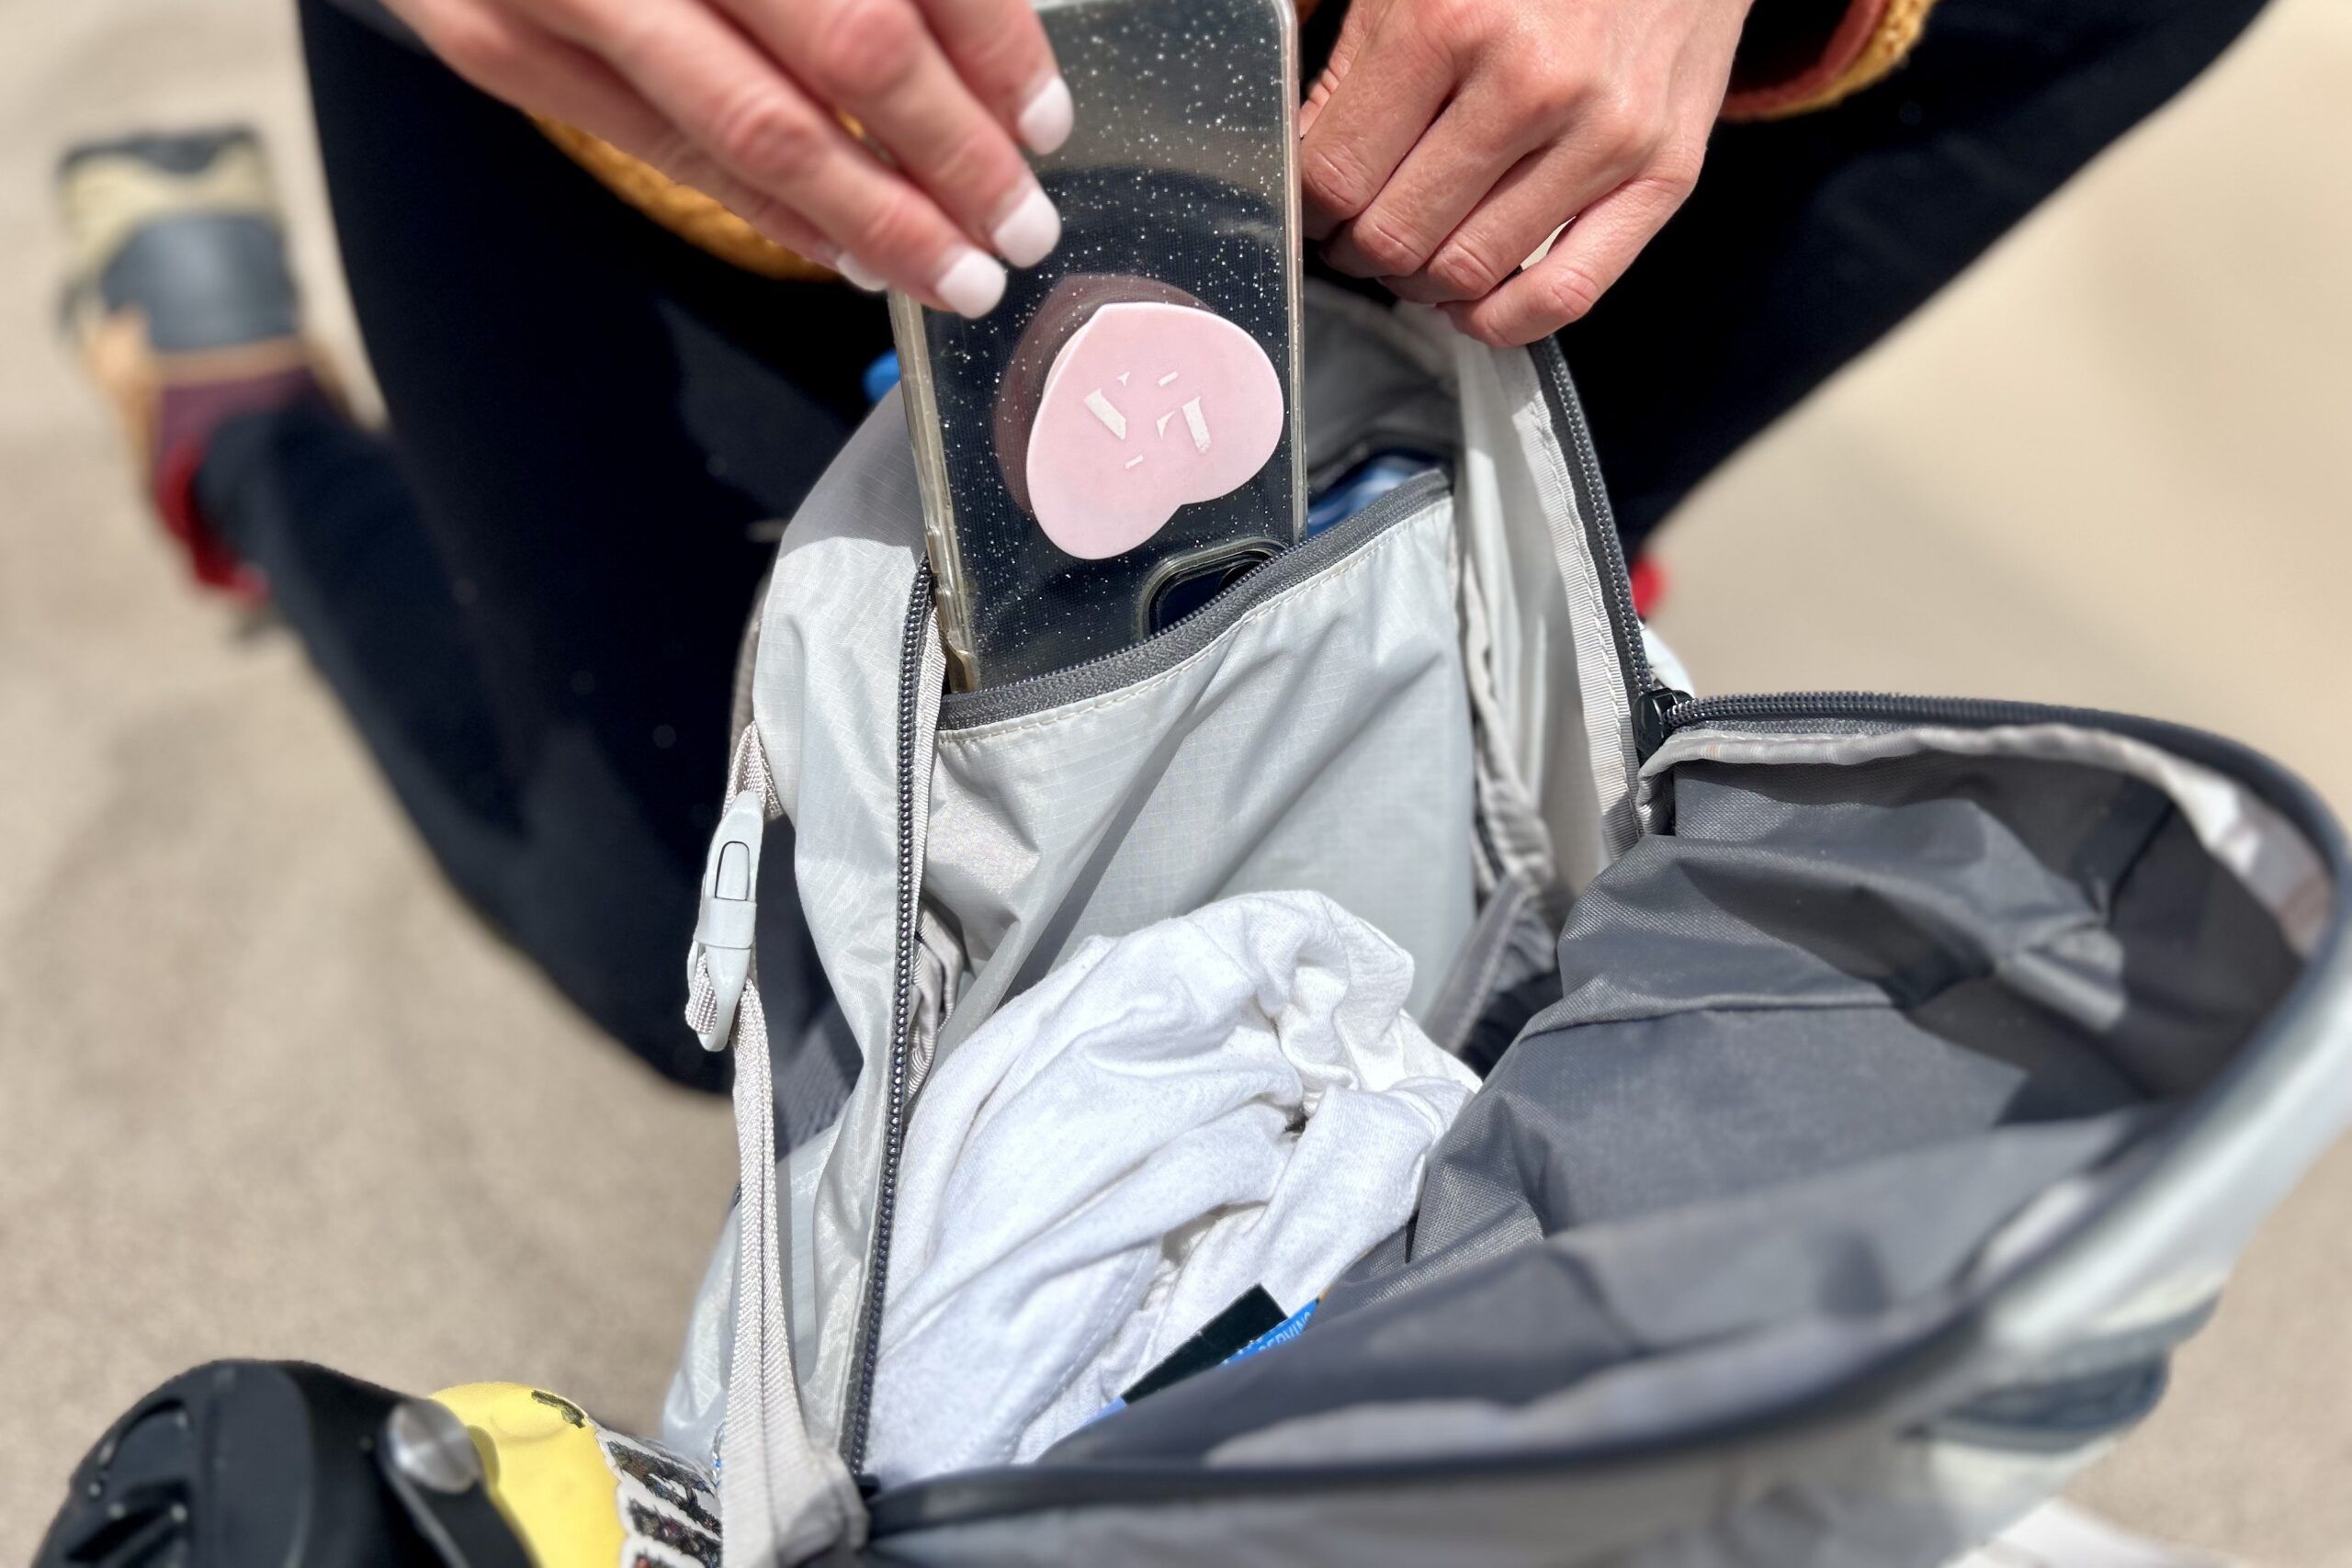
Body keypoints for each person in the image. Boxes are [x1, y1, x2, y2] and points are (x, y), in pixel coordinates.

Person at [55, 0, 2268, 1089]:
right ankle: (244, 430)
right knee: (751, 967)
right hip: (734, 96)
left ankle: (1456, 554)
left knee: (1412, 747)